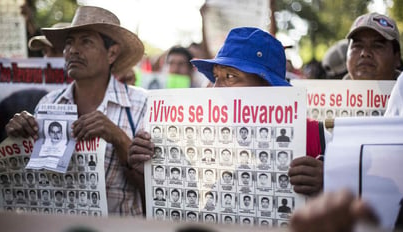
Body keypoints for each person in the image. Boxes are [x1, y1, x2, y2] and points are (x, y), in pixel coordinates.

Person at [128, 27, 325, 198]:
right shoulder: (197, 135)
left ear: (267, 85)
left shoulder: (316, 137)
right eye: (216, 77)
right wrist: (149, 171)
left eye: (230, 76)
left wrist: (328, 182)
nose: (216, 88)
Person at [5, 6, 147, 216]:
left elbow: (153, 189)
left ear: (112, 53)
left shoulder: (141, 104)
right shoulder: (48, 103)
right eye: (69, 43)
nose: (73, 50)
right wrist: (18, 142)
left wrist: (118, 138)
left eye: (86, 41)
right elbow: (33, 181)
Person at [344, 12, 402, 80]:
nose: (365, 53)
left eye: (377, 46)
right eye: (358, 46)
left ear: (397, 58)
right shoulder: (332, 90)